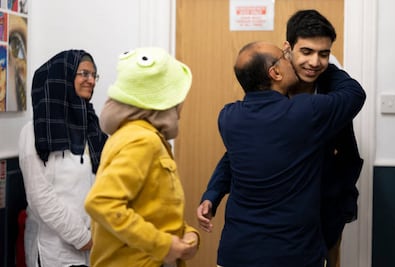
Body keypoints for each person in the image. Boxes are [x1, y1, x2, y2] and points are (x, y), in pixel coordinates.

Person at [197, 9, 363, 267]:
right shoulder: (282, 99)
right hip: (278, 239)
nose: (316, 62)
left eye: (324, 55)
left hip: (327, 212)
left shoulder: (328, 93)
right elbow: (240, 153)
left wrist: (339, 205)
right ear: (288, 50)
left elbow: (347, 155)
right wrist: (214, 191)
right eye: (307, 52)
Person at [84, 47, 200, 267]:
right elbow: (101, 202)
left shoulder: (138, 135)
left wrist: (188, 233)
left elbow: (152, 207)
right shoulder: (142, 140)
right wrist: (164, 245)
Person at [18, 50, 108, 267]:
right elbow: (41, 197)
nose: (91, 81)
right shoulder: (35, 132)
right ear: (63, 77)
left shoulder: (93, 128)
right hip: (54, 251)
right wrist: (81, 237)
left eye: (94, 75)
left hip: (94, 247)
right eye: (84, 73)